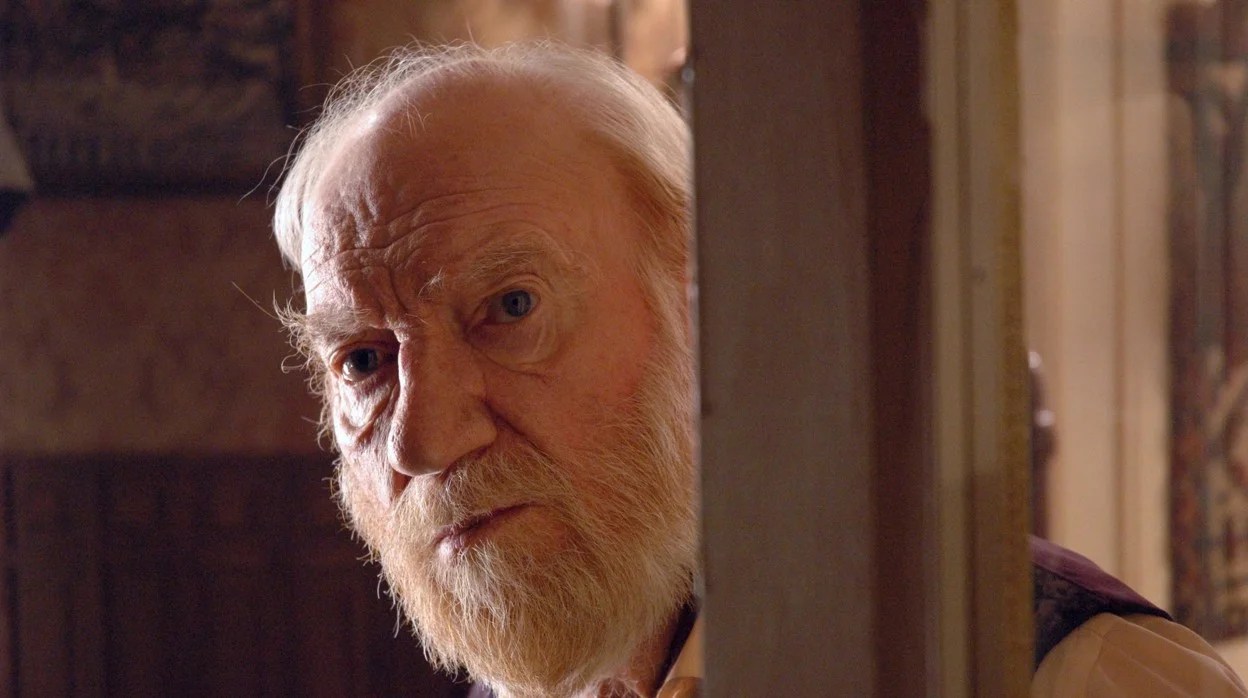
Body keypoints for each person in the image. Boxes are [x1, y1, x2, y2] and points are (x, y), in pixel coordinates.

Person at [273, 42, 1245, 697]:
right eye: (363, 359)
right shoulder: (540, 674)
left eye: (510, 308)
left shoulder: (1078, 677)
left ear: (709, 309)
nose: (425, 439)